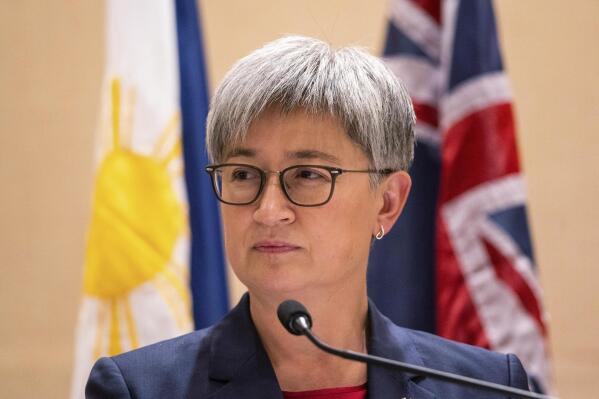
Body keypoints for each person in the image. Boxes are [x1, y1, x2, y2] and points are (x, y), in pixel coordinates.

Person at [85, 36, 530, 398]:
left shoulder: (486, 388)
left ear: (387, 202)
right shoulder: (139, 390)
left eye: (308, 175)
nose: (268, 210)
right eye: (242, 174)